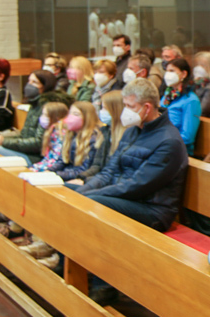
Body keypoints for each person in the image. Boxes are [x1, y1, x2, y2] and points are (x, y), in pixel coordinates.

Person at [76, 78, 189, 231]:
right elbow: (109, 171)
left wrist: (91, 193)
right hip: (124, 197)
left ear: (147, 108)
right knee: (65, 189)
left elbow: (137, 186)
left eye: (130, 106)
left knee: (91, 201)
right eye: (125, 105)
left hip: (152, 210)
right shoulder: (131, 131)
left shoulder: (169, 141)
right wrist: (83, 190)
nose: (125, 111)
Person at [0, 70, 73, 165]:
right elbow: (25, 135)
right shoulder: (35, 104)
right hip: (26, 151)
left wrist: (4, 141)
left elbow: (39, 143)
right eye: (29, 81)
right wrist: (1, 137)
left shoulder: (48, 108)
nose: (29, 85)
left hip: (36, 157)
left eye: (34, 82)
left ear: (45, 86)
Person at [160, 58, 202, 154]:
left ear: (183, 74)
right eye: (167, 71)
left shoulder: (191, 100)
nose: (168, 74)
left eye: (172, 71)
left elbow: (187, 137)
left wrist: (163, 142)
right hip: (163, 142)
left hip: (178, 149)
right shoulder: (167, 96)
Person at [28, 102, 70, 172]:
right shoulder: (51, 130)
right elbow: (48, 158)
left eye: (45, 115)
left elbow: (55, 160)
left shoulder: (60, 134)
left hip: (52, 170)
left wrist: (37, 169)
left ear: (56, 117)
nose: (42, 117)